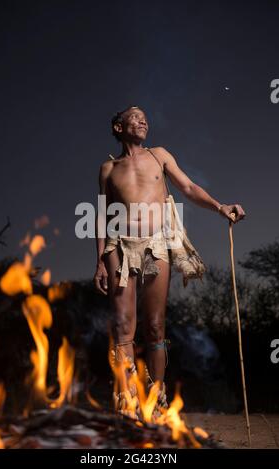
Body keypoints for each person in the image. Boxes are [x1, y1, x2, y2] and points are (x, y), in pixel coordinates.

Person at [93, 105, 246, 419]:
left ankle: (156, 399)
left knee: (154, 326)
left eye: (144, 116)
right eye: (134, 116)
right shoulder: (108, 169)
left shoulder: (159, 155)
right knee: (123, 326)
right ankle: (126, 404)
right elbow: (101, 216)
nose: (142, 119)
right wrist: (99, 261)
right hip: (118, 246)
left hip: (155, 245)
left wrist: (221, 207)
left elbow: (188, 188)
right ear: (118, 127)